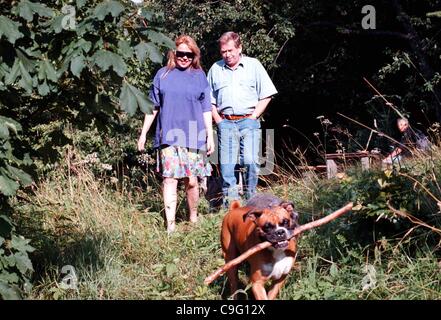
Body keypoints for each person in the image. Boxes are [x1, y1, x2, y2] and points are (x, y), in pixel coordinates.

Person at [137, 35, 214, 234]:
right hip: (168, 135)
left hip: (194, 135)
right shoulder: (162, 75)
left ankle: (193, 219)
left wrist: (210, 136)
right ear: (173, 53)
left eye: (189, 55)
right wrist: (143, 133)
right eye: (181, 54)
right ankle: (170, 226)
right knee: (169, 180)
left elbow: (206, 108)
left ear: (194, 55)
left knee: (192, 180)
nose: (184, 58)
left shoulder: (199, 76)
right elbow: (152, 107)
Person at [207, 31, 278, 207]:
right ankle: (231, 206)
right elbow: (208, 100)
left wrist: (254, 116)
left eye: (231, 50)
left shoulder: (254, 65)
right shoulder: (215, 69)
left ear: (240, 48)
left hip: (249, 120)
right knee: (227, 166)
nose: (227, 55)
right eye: (223, 51)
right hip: (225, 122)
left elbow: (267, 94)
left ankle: (251, 201)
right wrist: (219, 121)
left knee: (250, 161)